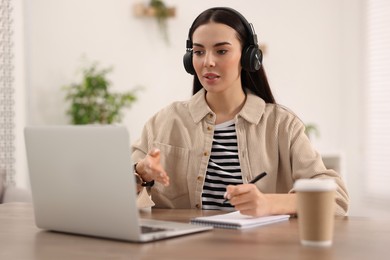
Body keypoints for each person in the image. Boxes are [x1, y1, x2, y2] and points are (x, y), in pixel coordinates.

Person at [132, 7, 349, 217]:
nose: (207, 61)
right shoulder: (165, 121)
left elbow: (336, 198)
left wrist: (269, 203)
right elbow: (111, 192)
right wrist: (141, 175)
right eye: (198, 52)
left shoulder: (282, 125)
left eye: (221, 51)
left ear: (248, 57)